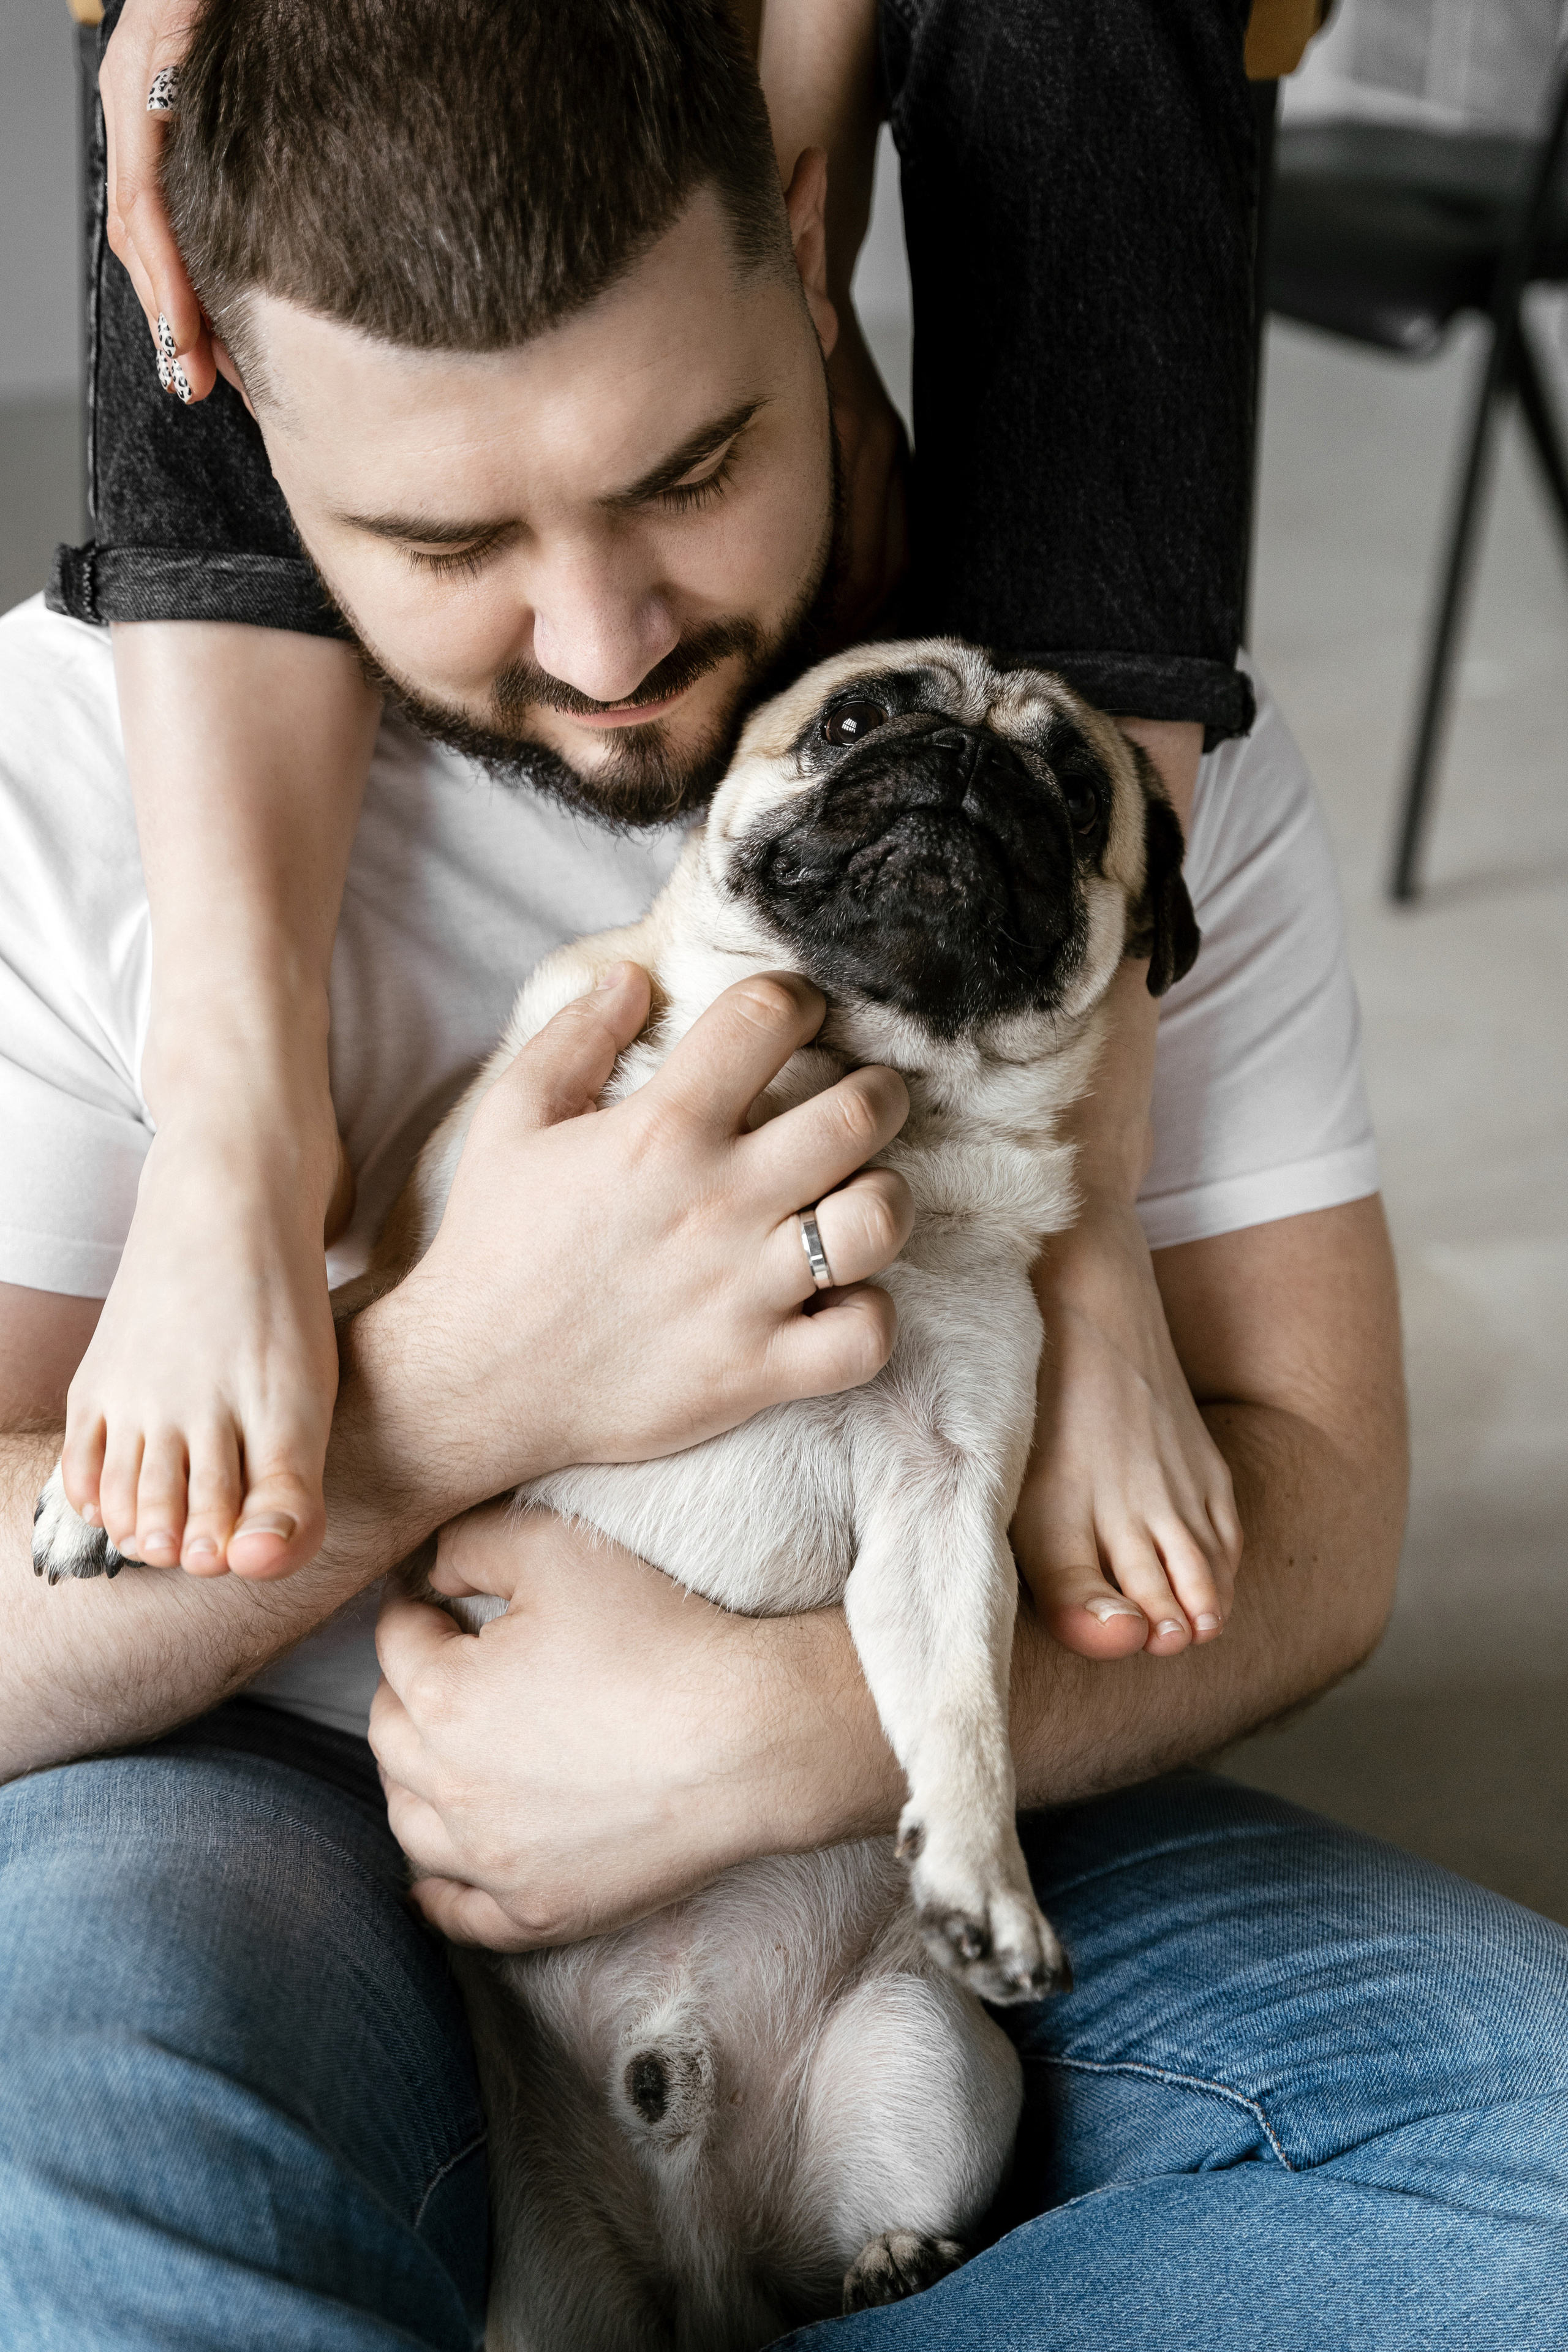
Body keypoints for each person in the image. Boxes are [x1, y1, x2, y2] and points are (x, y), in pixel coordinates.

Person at [2, 1, 1564, 2345]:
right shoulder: (82, 768)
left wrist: (784, 1741)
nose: (611, 637)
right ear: (221, 421)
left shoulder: (1060, 773)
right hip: (263, 1779)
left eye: (695, 462)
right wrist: (461, 1388)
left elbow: (1320, 1523)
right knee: (73, 2159)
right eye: (443, 538)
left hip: (895, 1832)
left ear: (810, 238)